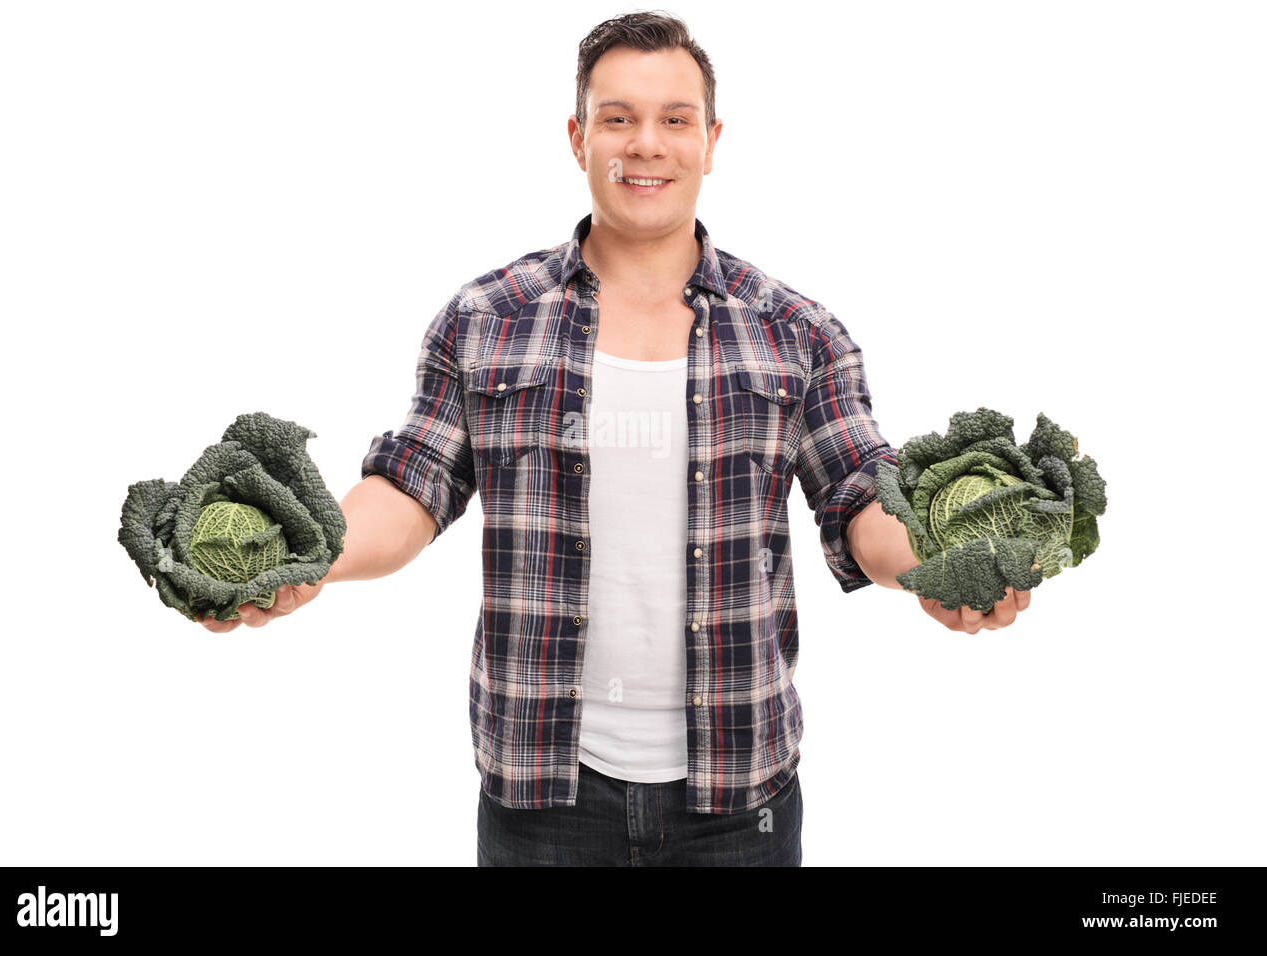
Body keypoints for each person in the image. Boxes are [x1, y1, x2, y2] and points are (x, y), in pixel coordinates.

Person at [198, 11, 1030, 866]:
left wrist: (937, 567)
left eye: (675, 119)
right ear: (577, 135)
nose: (647, 145)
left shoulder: (797, 331)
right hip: (540, 797)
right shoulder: (487, 318)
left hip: (741, 799)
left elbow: (863, 498)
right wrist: (310, 555)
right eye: (618, 117)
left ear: (711, 140)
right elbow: (411, 488)